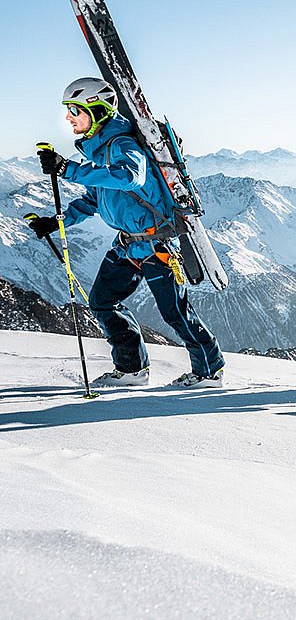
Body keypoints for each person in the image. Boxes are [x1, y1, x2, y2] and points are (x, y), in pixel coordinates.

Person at [26, 77, 224, 388]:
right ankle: (132, 369)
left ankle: (210, 371)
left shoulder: (122, 145)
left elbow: (130, 177)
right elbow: (96, 198)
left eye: (74, 110)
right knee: (103, 301)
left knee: (176, 313)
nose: (68, 117)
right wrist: (57, 221)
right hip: (128, 246)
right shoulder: (100, 152)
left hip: (157, 246)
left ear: (98, 110)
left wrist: (68, 170)